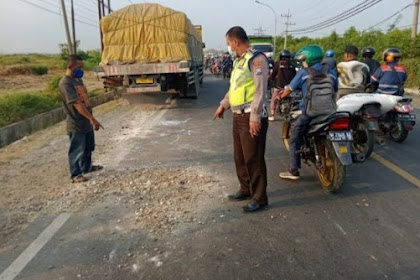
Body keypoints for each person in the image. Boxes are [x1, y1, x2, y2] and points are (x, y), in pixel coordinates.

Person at [213, 26, 269, 212]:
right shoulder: (239, 61)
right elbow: (234, 87)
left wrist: (255, 117)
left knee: (254, 157)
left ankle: (259, 197)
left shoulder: (256, 59)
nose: (229, 46)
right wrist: (223, 104)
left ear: (236, 41)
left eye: (229, 43)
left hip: (250, 116)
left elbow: (260, 90)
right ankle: (245, 189)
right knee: (240, 156)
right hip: (238, 116)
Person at [278, 45, 338, 180]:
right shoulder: (332, 72)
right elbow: (335, 88)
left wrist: (279, 97)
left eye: (302, 60)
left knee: (294, 138)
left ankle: (293, 170)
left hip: (310, 113)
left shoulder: (304, 73)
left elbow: (288, 90)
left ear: (307, 59)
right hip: (330, 112)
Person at [59, 55, 103, 183]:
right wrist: (92, 119)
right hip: (76, 122)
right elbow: (77, 104)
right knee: (77, 149)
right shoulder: (66, 83)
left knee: (88, 147)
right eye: (79, 67)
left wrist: (90, 118)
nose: (81, 70)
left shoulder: (78, 80)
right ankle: (76, 174)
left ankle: (87, 167)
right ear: (70, 67)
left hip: (86, 121)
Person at [268, 49, 296, 121]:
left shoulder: (278, 64)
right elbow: (294, 76)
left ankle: (272, 114)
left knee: (273, 100)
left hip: (279, 86)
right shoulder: (292, 65)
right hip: (289, 87)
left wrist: (270, 79)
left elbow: (273, 74)